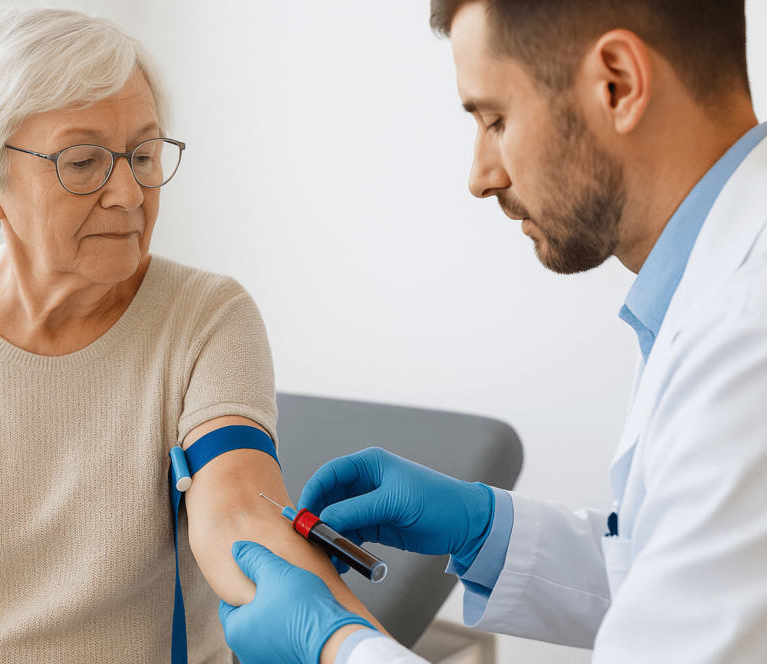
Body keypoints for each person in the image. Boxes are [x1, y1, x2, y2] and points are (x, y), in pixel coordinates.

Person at [218, 0, 767, 662]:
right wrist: (489, 531)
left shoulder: (746, 341)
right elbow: (674, 579)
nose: (482, 177)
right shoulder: (717, 289)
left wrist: (337, 647)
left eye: (497, 120)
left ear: (617, 83)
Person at [0, 6, 379, 663]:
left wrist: (359, 648)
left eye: (143, 154)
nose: (128, 192)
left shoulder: (206, 315)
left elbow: (236, 512)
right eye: (83, 162)